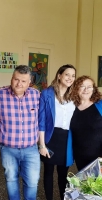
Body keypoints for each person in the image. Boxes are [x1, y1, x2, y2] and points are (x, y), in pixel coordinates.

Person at [0, 65, 40, 200]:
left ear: (29, 82)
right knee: (11, 179)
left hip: (31, 149)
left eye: (23, 81)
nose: (19, 84)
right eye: (16, 79)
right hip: (8, 148)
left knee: (32, 181)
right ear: (11, 78)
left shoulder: (36, 95)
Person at [38, 64, 76, 200]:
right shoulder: (47, 94)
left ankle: (63, 198)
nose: (70, 78)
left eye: (73, 75)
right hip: (50, 137)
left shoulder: (75, 95)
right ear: (59, 76)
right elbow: (41, 121)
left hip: (67, 139)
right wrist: (42, 145)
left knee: (63, 174)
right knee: (48, 172)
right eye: (67, 74)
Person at [70, 75, 102, 171]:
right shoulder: (71, 107)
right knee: (86, 183)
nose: (86, 89)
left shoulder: (100, 105)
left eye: (89, 86)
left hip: (99, 155)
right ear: (76, 88)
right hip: (80, 154)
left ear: (93, 89)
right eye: (82, 86)